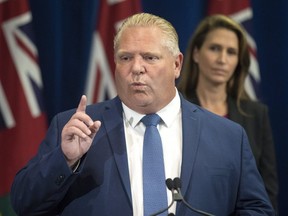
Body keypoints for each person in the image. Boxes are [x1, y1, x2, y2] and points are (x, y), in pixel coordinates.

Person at [11, 13, 274, 216]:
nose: (136, 68)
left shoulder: (227, 136)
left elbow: (257, 209)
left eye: (149, 57)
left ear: (177, 64)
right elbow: (24, 204)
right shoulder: (76, 127)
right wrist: (65, 160)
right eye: (125, 58)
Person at [177, 14, 278, 211]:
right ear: (196, 54)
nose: (222, 59)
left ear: (238, 61)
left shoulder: (257, 115)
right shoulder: (173, 109)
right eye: (214, 48)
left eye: (231, 52)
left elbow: (268, 193)